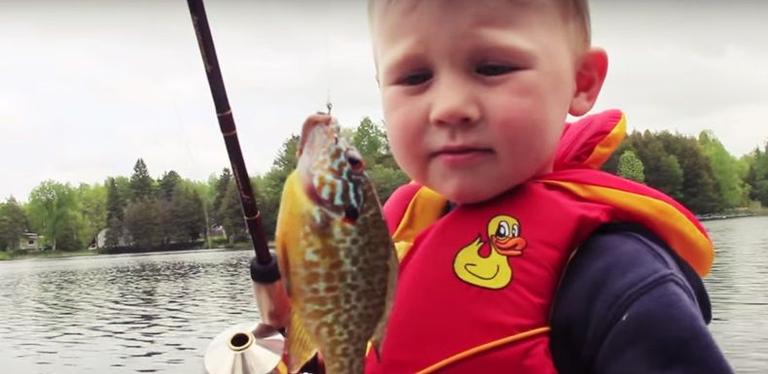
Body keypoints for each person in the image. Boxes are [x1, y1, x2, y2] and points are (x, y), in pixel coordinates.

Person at [293, 0, 732, 372]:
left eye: (492, 67)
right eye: (414, 77)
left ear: (581, 81)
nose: (450, 107)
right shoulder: (393, 236)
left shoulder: (620, 276)